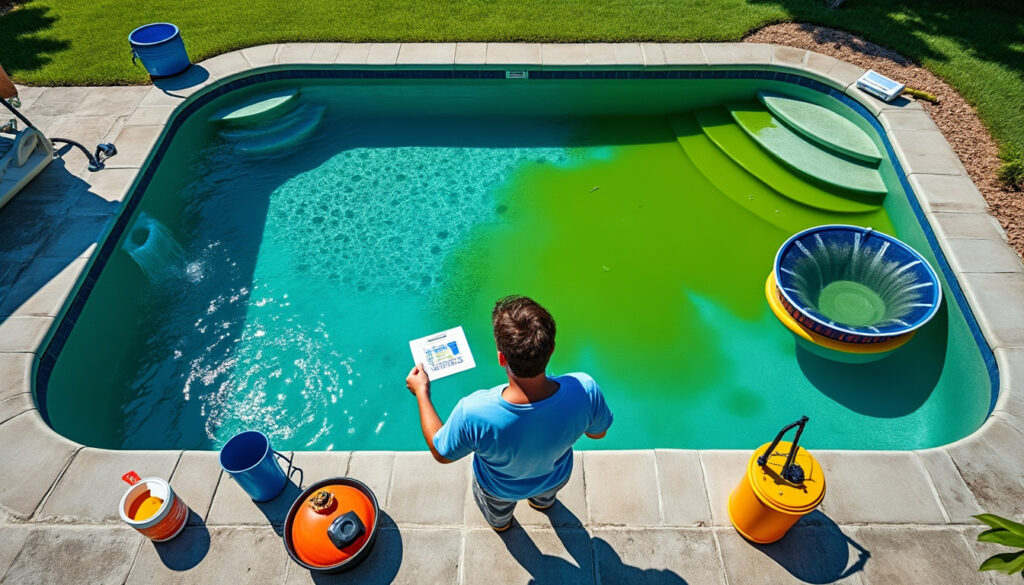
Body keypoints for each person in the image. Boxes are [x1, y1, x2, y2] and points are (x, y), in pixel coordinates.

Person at [405, 295, 613, 531]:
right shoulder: (585, 389)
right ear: (551, 349)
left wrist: (422, 392)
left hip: (499, 489)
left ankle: (502, 525)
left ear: (501, 357)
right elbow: (598, 434)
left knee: (499, 517)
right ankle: (541, 504)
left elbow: (441, 453)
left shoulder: (473, 412)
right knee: (545, 498)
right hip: (555, 477)